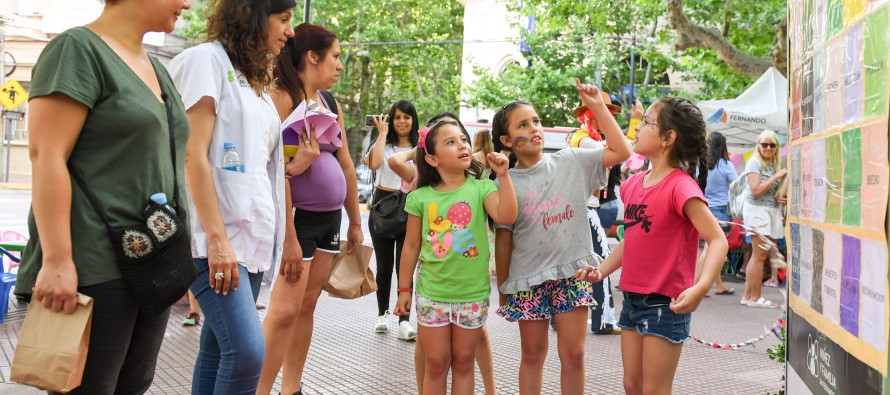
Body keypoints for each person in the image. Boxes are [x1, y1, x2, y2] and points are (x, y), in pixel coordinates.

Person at [16, 1, 192, 392]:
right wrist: (58, 261)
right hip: (95, 263)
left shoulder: (155, 66)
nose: (186, 3)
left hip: (156, 256)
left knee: (134, 385)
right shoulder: (77, 50)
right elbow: (46, 156)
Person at [170, 0, 296, 393]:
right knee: (246, 351)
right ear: (256, 15)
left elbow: (261, 168)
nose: (290, 31)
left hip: (251, 241)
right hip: (213, 240)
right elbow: (193, 154)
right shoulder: (204, 62)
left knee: (217, 348)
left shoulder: (254, 80)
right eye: (284, 19)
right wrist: (217, 240)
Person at [576, 96, 728, 394]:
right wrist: (601, 270)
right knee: (632, 385)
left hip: (664, 305)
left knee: (654, 389)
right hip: (632, 300)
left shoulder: (681, 186)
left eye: (647, 122)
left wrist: (700, 287)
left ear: (668, 138)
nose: (637, 129)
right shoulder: (633, 184)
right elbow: (632, 239)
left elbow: (717, 240)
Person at [491, 79, 631, 394]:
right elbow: (504, 237)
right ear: (507, 139)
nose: (534, 128)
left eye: (536, 121)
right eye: (523, 125)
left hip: (572, 273)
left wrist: (597, 106)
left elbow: (622, 150)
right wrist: (503, 288)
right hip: (528, 278)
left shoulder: (570, 160)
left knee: (574, 355)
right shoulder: (505, 181)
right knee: (532, 355)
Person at [256, 24, 364, 395]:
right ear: (312, 57)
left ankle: (292, 388)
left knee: (307, 306)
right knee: (284, 311)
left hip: (329, 221)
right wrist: (287, 234)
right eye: (335, 57)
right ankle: (259, 389)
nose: (340, 66)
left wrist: (355, 221)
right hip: (296, 219)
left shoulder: (329, 103)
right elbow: (271, 171)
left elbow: (346, 164)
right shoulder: (280, 99)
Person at [393, 118, 517, 395]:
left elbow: (507, 215)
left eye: (463, 139)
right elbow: (411, 246)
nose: (462, 144)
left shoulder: (482, 188)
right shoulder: (420, 198)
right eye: (451, 142)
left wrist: (504, 176)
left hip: (472, 296)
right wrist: (403, 290)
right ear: (432, 159)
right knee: (436, 365)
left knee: (463, 364)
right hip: (431, 295)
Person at [364, 100, 419, 340]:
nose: (402, 122)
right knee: (384, 267)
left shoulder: (421, 147)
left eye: (406, 117)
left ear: (413, 120)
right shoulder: (382, 144)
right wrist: (382, 133)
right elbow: (374, 164)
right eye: (397, 117)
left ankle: (405, 321)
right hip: (383, 208)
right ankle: (382, 314)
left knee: (404, 268)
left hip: (410, 208)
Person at [740, 130, 786, 308]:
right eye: (764, 144)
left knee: (758, 255)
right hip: (757, 212)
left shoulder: (772, 165)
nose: (768, 148)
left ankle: (747, 295)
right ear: (758, 146)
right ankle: (755, 298)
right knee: (759, 256)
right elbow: (756, 190)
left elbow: (769, 194)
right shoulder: (754, 162)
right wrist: (776, 177)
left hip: (769, 211)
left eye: (772, 145)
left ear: (776, 148)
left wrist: (781, 197)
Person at [696, 132, 736, 296]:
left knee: (707, 249)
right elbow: (736, 184)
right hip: (720, 210)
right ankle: (697, 284)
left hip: (703, 209)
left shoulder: (701, 164)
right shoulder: (726, 165)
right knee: (712, 249)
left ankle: (718, 285)